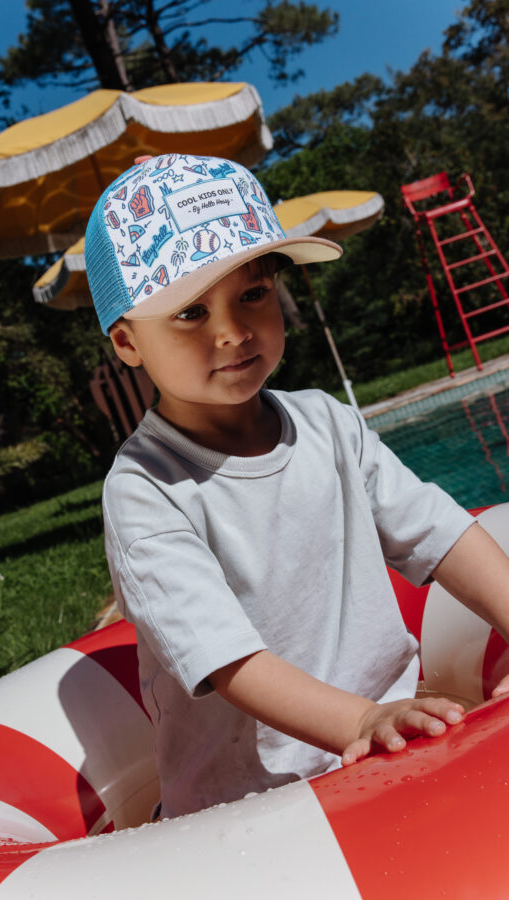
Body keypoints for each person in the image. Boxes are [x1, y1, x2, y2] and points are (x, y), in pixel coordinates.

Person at [85, 152, 509, 820]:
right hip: (252, 812)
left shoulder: (326, 422)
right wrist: (361, 720)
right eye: (190, 313)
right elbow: (228, 659)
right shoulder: (146, 488)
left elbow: (438, 529)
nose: (231, 331)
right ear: (128, 343)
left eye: (252, 293)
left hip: (394, 742)